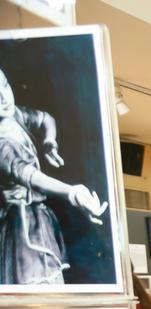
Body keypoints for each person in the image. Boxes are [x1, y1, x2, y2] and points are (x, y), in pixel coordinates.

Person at [0, 67, 109, 286]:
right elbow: (31, 177)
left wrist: (50, 141)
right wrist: (72, 192)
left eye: (5, 86)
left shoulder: (15, 115)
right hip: (21, 228)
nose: (4, 98)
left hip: (39, 220)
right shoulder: (2, 145)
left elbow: (45, 119)